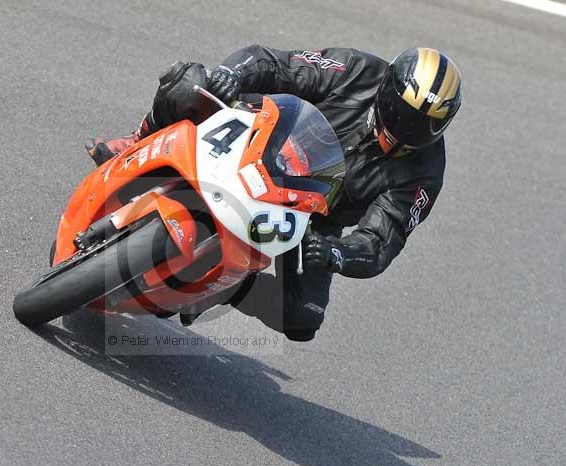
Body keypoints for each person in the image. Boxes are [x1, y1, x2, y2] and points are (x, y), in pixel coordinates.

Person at [86, 45, 462, 341]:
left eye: (422, 125)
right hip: (269, 140)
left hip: (313, 214)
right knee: (191, 83)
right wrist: (232, 75)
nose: (405, 129)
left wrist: (337, 253)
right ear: (387, 90)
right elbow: (277, 63)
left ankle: (225, 287)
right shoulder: (356, 70)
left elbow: (381, 241)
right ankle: (139, 140)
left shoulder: (425, 175)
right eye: (402, 112)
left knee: (303, 317)